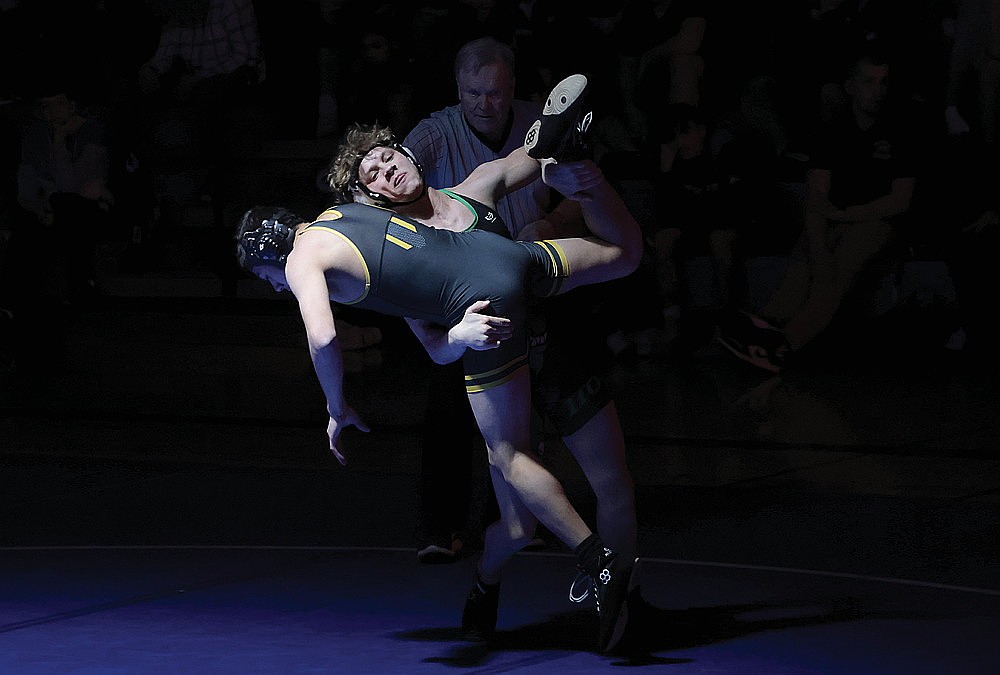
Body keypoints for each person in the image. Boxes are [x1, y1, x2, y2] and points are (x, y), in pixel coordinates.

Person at [236, 80, 644, 654]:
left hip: (543, 344)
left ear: (408, 153)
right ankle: (490, 583)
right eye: (372, 175)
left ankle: (611, 580)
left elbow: (322, 334)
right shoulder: (394, 248)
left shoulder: (437, 205)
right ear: (369, 202)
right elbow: (434, 347)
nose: (385, 171)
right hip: (495, 324)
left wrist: (337, 408)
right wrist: (457, 333)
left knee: (601, 480)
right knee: (519, 527)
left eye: (388, 157)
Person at [400, 36, 585, 564]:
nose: (485, 104)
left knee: (525, 414)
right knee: (449, 409)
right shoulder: (434, 133)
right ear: (458, 89)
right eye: (473, 93)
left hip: (528, 281)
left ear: (512, 89)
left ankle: (519, 519)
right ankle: (438, 526)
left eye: (495, 92)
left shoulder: (538, 125)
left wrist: (549, 221)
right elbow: (395, 178)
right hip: (457, 292)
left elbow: (583, 192)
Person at [717, 44, 918, 374]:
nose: (877, 91)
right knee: (805, 261)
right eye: (869, 81)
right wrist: (819, 241)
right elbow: (817, 195)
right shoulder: (831, 133)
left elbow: (899, 201)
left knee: (840, 267)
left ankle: (784, 347)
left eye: (883, 82)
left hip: (877, 222)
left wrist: (843, 218)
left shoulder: (900, 130)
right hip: (833, 217)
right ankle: (763, 331)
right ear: (851, 86)